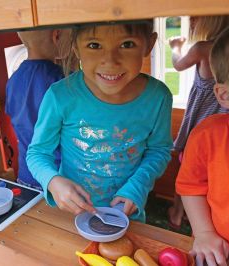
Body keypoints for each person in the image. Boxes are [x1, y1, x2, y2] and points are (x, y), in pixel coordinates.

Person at [26, 20, 173, 222]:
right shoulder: (60, 96)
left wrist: (137, 186)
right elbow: (37, 153)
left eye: (127, 44)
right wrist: (53, 181)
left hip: (126, 214)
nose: (110, 61)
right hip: (73, 213)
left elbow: (159, 150)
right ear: (76, 47)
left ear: (149, 44)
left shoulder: (158, 97)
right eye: (94, 45)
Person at [176, 18, 229, 265]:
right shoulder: (208, 136)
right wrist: (204, 233)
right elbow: (191, 185)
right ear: (227, 95)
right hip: (220, 252)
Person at [5, 28, 71, 190]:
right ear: (56, 36)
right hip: (59, 178)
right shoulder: (64, 80)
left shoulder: (13, 79)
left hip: (27, 172)